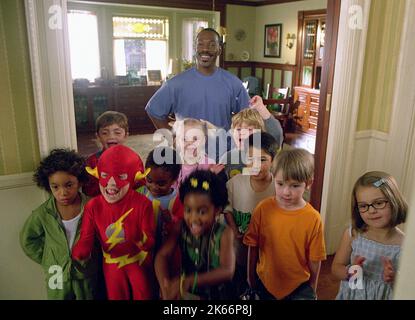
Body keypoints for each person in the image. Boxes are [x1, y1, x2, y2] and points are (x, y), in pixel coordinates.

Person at [72, 145, 156, 300]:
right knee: (115, 295)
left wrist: (146, 241)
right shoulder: (93, 206)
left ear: (133, 178)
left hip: (138, 260)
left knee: (144, 293)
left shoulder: (143, 203)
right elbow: (86, 236)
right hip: (111, 262)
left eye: (121, 177)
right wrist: (83, 247)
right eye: (104, 175)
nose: (111, 183)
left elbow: (149, 235)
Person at [244, 148, 326, 300]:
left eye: (294, 186)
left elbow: (315, 259)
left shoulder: (313, 219)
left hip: (299, 288)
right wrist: (250, 277)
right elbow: (252, 246)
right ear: (274, 178)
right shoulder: (262, 209)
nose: (286, 192)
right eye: (280, 184)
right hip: (265, 282)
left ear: (308, 183)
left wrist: (312, 287)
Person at [20, 149, 99, 299]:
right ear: (48, 185)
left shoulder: (92, 207)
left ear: (80, 181)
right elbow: (27, 240)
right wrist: (48, 257)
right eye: (55, 187)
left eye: (69, 185)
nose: (62, 193)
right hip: (56, 274)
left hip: (86, 271)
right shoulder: (43, 213)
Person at [145, 28, 250, 131]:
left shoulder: (234, 83)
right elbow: (154, 111)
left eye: (212, 45)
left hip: (224, 147)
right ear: (195, 49)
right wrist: (172, 138)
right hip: (188, 147)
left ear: (219, 50)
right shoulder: (175, 84)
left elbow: (248, 117)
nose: (205, 49)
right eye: (200, 44)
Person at [155, 170, 235, 300]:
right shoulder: (180, 227)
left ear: (217, 210)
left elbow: (227, 271)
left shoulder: (225, 233)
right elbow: (162, 256)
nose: (193, 219)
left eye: (202, 212)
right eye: (188, 210)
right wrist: (165, 287)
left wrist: (188, 282)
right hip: (188, 295)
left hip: (218, 295)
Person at [331, 171, 407, 300]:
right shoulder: (353, 234)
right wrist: (350, 273)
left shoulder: (405, 245)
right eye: (364, 206)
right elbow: (336, 268)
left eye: (378, 203)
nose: (371, 211)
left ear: (394, 201)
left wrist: (395, 278)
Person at [224, 132, 278, 298]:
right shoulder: (234, 183)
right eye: (250, 158)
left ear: (273, 160)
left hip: (268, 257)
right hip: (240, 253)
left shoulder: (279, 188)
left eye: (262, 160)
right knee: (239, 289)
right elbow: (227, 208)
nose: (255, 165)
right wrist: (234, 229)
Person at [220, 95, 283, 179]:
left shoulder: (267, 154)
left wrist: (260, 107)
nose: (242, 133)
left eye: (249, 130)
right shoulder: (227, 158)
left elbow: (276, 132)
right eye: (238, 129)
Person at [137, 146, 183, 251]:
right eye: (149, 180)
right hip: (145, 248)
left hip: (166, 249)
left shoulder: (177, 201)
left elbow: (182, 227)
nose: (153, 187)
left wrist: (172, 220)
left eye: (161, 183)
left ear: (174, 180)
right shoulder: (141, 193)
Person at [83, 111, 129, 197]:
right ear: (98, 136)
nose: (111, 136)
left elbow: (140, 185)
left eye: (117, 133)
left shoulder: (133, 160)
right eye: (105, 133)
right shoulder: (91, 161)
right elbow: (87, 190)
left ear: (126, 135)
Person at [173, 118, 224, 186]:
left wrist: (210, 174)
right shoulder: (173, 164)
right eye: (184, 139)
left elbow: (211, 190)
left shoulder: (209, 164)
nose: (190, 143)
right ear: (177, 141)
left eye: (195, 139)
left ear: (203, 141)